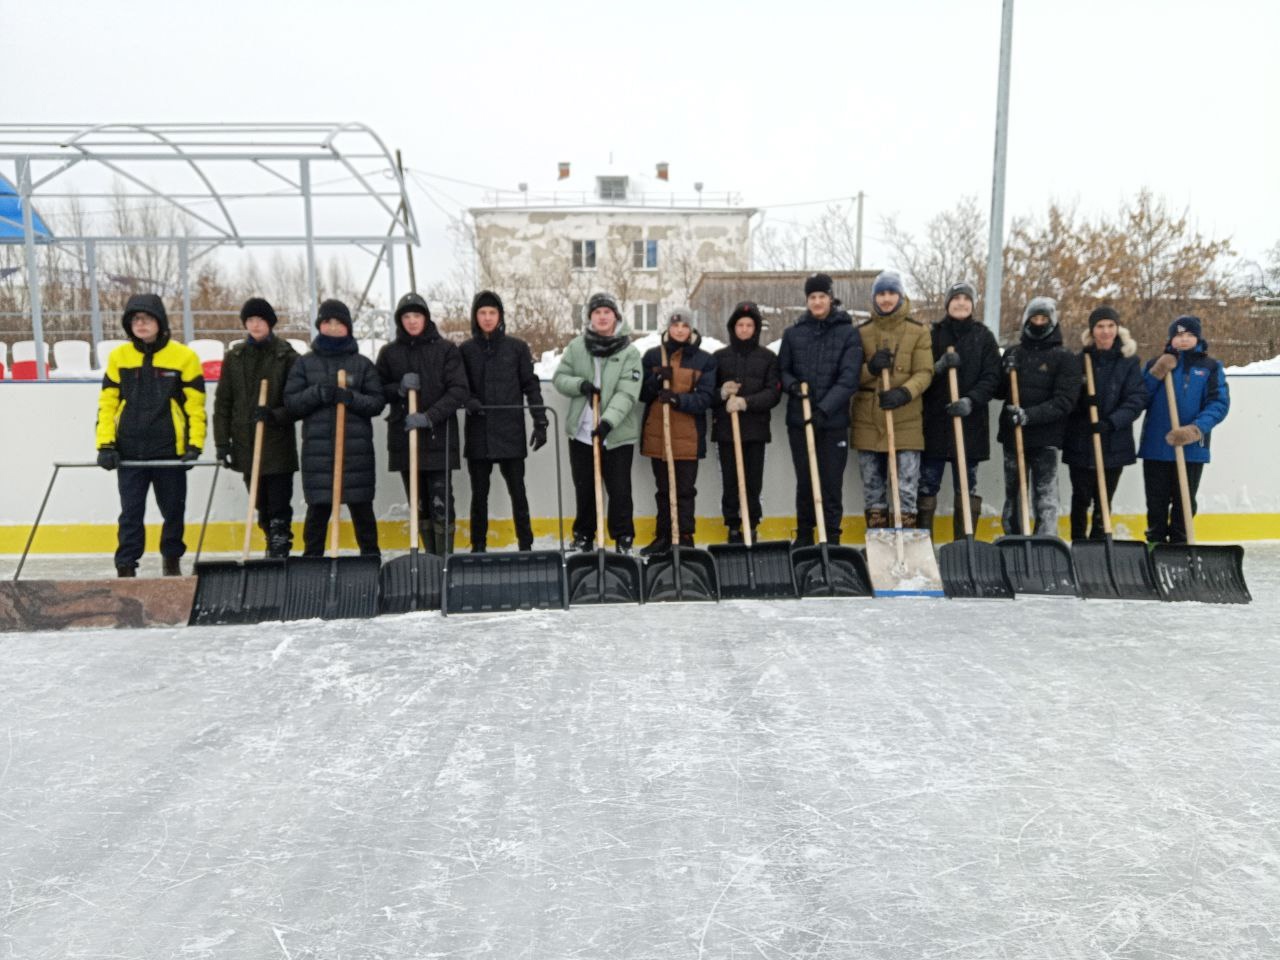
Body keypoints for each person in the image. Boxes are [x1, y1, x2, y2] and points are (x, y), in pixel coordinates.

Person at [95, 293, 206, 577]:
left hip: (169, 451)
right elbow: (107, 405)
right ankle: (126, 566)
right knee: (130, 513)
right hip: (129, 452)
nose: (140, 324)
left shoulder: (184, 357)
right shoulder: (119, 358)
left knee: (173, 511)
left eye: (146, 318)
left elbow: (195, 405)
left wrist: (195, 444)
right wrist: (106, 444)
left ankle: (171, 561)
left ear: (160, 322)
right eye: (135, 319)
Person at [284, 298, 386, 557]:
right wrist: (317, 393)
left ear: (348, 327)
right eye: (327, 322)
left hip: (356, 456)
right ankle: (312, 568)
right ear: (320, 326)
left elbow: (377, 402)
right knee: (317, 515)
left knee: (363, 514)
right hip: (318, 457)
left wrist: (350, 398)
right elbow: (292, 404)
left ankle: (370, 562)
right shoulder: (305, 364)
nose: (332, 327)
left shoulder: (362, 364)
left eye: (338, 322)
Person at [375, 291, 468, 556]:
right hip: (405, 440)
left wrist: (429, 417)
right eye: (407, 316)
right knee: (419, 505)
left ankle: (444, 561)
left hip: (439, 439)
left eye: (417, 315)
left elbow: (459, 390)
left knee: (441, 504)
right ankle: (429, 561)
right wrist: (399, 389)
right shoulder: (389, 353)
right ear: (399, 320)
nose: (412, 321)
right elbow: (377, 391)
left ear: (426, 318)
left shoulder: (446, 350)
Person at [552, 292, 643, 554]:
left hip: (615, 433)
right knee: (585, 488)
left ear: (616, 316)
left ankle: (623, 538)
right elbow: (560, 378)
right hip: (581, 432)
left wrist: (607, 422)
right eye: (597, 312)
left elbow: (628, 392)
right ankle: (584, 536)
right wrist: (579, 385)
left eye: (607, 312)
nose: (602, 316)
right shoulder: (578, 346)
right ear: (590, 317)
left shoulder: (629, 351)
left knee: (619, 489)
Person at [459, 290, 548, 552]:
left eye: (492, 313)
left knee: (518, 492)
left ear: (500, 316)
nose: (487, 318)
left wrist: (540, 421)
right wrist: (468, 400)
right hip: (479, 429)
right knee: (480, 495)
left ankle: (526, 545)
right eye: (482, 313)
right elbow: (457, 384)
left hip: (510, 430)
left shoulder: (517, 348)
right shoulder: (465, 350)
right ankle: (478, 547)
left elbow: (530, 385)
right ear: (476, 316)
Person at [212, 297, 300, 557]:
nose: (255, 325)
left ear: (270, 323)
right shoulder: (235, 357)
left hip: (277, 445)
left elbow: (297, 402)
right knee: (260, 502)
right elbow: (223, 403)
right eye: (250, 320)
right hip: (246, 444)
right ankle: (269, 542)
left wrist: (275, 415)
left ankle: (280, 547)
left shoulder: (286, 356)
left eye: (260, 320)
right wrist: (221, 443)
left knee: (279, 504)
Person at [777, 273, 861, 545]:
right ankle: (804, 536)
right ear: (807, 300)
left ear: (830, 299)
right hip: (799, 420)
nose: (817, 302)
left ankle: (832, 538)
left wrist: (823, 410)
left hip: (832, 421)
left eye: (821, 296)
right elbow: (783, 370)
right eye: (812, 297)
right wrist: (792, 387)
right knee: (805, 481)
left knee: (831, 483)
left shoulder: (848, 333)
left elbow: (849, 378)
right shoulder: (793, 334)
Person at [1138, 315, 1230, 544]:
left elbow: (1219, 403)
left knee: (1185, 503)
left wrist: (1195, 429)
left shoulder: (1210, 367)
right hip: (1156, 447)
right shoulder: (1154, 364)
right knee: (1156, 503)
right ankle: (1155, 544)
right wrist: (1156, 373)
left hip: (1191, 448)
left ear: (1197, 338)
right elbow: (1138, 399)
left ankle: (1180, 547)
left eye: (1189, 335)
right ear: (1171, 338)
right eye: (1179, 335)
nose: (1184, 340)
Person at [852, 270, 933, 529]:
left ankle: (906, 540)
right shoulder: (861, 333)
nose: (886, 299)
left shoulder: (918, 331)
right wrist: (871, 369)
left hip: (906, 421)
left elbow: (925, 372)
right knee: (873, 488)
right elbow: (849, 376)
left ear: (901, 296)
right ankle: (879, 544)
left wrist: (904, 392)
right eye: (881, 294)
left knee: (906, 488)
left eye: (891, 293)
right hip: (868, 422)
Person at [919, 281, 1001, 538]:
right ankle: (924, 544)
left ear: (973, 304)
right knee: (927, 484)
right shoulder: (932, 335)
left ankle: (964, 544)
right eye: (956, 299)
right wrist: (940, 366)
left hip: (970, 426)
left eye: (966, 299)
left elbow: (992, 377)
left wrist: (971, 400)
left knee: (966, 485)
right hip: (935, 423)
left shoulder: (983, 337)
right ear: (947, 303)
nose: (961, 303)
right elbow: (920, 375)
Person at [995, 297, 1081, 535]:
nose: (1039, 323)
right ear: (1026, 321)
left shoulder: (1065, 358)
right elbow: (1000, 391)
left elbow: (1064, 401)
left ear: (1052, 322)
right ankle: (1013, 539)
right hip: (1014, 436)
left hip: (1046, 439)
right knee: (1013, 494)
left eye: (1044, 319)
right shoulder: (1014, 353)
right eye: (1035, 318)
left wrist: (1029, 416)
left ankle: (1045, 542)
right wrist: (1004, 369)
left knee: (1045, 495)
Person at [1062, 306, 1146, 541]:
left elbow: (1136, 399)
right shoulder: (1079, 361)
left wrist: (1111, 422)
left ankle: (1098, 542)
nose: (1106, 331)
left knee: (1104, 498)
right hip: (1081, 440)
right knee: (1080, 497)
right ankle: (1078, 542)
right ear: (1092, 330)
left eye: (1110, 326)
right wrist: (1081, 403)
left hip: (1114, 442)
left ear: (1118, 329)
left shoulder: (1129, 362)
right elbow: (1065, 398)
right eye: (1100, 326)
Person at [638, 307, 717, 554]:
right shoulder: (652, 356)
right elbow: (641, 394)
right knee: (663, 491)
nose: (680, 330)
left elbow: (706, 398)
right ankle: (663, 536)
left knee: (684, 491)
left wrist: (678, 400)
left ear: (691, 329)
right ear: (668, 328)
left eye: (684, 326)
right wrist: (655, 381)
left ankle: (684, 537)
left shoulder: (704, 360)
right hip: (658, 435)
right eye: (675, 326)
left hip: (688, 437)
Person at [711, 301, 781, 543]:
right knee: (730, 481)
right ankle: (732, 526)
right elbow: (706, 393)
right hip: (726, 431)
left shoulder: (768, 358)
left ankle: (751, 524)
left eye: (749, 325)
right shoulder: (719, 358)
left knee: (753, 481)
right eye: (740, 325)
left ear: (756, 328)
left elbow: (773, 393)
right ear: (733, 328)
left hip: (755, 431)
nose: (744, 329)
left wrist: (745, 402)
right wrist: (720, 393)